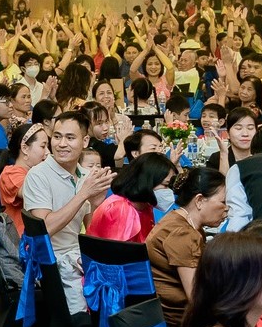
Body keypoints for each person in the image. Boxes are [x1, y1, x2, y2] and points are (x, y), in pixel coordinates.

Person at [21, 109, 115, 315]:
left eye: (70, 138)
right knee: (87, 309)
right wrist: (83, 194)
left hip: (77, 255)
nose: (61, 144)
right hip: (50, 261)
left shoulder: (87, 176)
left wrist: (96, 203)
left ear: (85, 141)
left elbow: (91, 230)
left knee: (120, 283)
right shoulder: (38, 176)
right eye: (57, 137)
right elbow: (43, 230)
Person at [146, 167, 228, 327]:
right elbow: (196, 297)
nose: (227, 209)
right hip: (180, 326)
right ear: (199, 200)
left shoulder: (178, 220)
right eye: (223, 202)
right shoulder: (183, 234)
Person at [85, 152, 173, 243]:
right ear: (147, 181)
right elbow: (119, 249)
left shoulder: (145, 207)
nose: (169, 190)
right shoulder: (120, 208)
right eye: (165, 185)